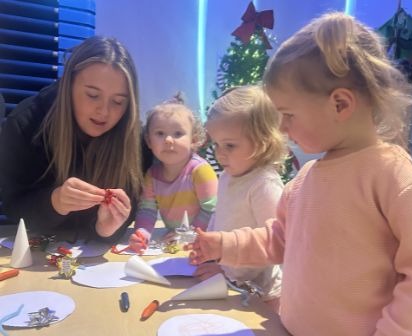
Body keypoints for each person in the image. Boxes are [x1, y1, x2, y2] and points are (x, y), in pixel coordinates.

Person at [187, 12, 412, 336]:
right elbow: (279, 238)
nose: (280, 127)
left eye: (287, 115)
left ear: (340, 104)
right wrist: (224, 244)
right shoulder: (306, 177)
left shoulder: (396, 178)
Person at [0, 36, 146, 243]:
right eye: (93, 95)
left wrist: (106, 229)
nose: (104, 111)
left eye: (118, 101)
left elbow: (127, 211)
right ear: (68, 85)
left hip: (95, 262)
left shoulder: (133, 138)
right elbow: (14, 207)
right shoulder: (26, 122)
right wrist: (55, 202)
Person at [194, 85, 286, 307]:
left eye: (230, 145)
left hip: (262, 294)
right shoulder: (227, 176)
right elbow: (221, 214)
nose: (219, 153)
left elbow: (277, 243)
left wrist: (225, 264)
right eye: (216, 144)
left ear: (263, 142)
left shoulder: (263, 184)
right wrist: (211, 248)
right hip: (230, 282)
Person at [128, 93, 217, 250]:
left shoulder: (200, 170)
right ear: (149, 141)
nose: (168, 140)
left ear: (194, 140)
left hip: (205, 241)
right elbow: (147, 210)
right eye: (160, 133)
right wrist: (142, 234)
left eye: (178, 134)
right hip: (176, 241)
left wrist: (188, 234)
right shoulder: (152, 174)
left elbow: (213, 211)